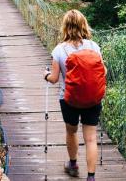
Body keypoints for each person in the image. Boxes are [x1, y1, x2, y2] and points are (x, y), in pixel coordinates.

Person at [43, 10, 107, 181]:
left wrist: (45, 75)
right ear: (83, 24)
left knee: (71, 132)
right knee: (91, 138)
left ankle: (73, 165)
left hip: (68, 99)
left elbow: (55, 79)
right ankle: (91, 177)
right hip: (92, 99)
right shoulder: (94, 47)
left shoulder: (59, 50)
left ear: (65, 26)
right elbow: (104, 71)